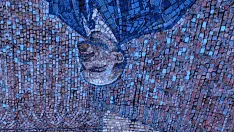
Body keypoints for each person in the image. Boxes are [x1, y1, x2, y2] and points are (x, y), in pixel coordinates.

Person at [47, 0, 200, 85]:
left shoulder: (64, 13)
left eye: (83, 67)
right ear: (117, 57)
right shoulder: (157, 17)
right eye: (98, 67)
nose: (86, 62)